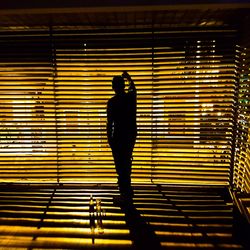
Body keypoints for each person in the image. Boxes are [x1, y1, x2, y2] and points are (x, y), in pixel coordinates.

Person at [107, 71, 137, 198]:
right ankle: (126, 193)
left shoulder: (112, 102)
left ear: (113, 87)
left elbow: (109, 123)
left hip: (119, 136)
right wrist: (129, 78)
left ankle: (125, 193)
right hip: (129, 135)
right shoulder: (130, 98)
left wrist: (110, 139)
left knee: (120, 165)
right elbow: (134, 89)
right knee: (126, 164)